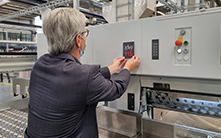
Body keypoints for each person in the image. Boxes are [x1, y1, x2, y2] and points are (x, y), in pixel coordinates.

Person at [25, 8, 140, 138]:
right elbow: (115, 89)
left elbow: (76, 81)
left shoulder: (40, 64)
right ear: (78, 40)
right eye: (85, 33)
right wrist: (127, 69)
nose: (86, 37)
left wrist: (111, 69)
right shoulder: (84, 75)